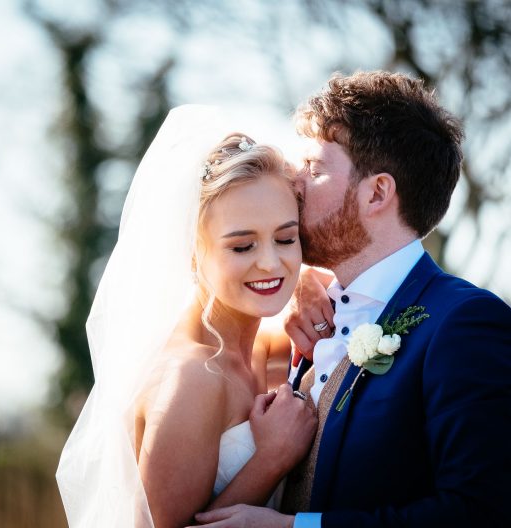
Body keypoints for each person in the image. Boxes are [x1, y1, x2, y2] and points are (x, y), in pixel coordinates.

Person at [194, 71, 511, 528]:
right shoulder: (312, 310)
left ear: (377, 192)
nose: (293, 184)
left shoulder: (463, 324)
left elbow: (480, 512)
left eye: (314, 169)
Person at [56, 105, 317, 528]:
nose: (271, 263)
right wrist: (272, 458)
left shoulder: (261, 345)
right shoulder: (193, 375)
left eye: (285, 238)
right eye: (242, 246)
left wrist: (310, 284)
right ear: (193, 252)